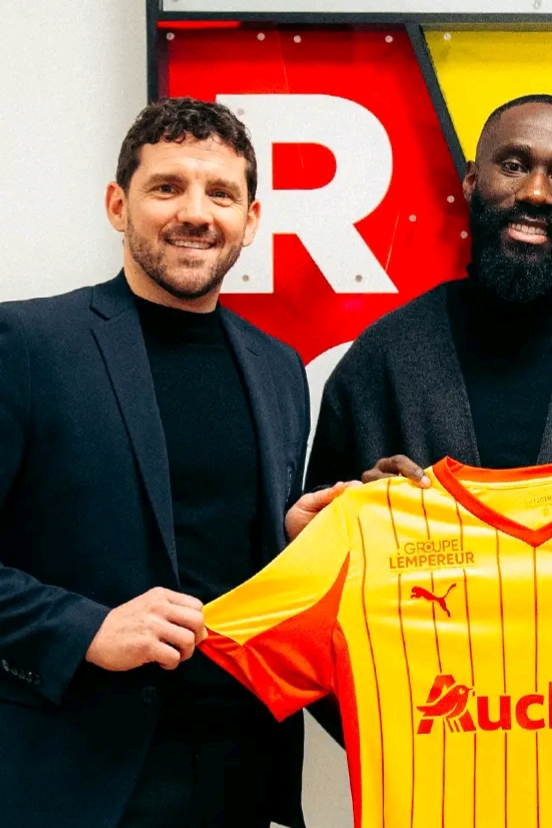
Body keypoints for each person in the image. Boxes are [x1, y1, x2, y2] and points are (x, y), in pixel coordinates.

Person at [0, 97, 345, 828]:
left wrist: (291, 541)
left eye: (221, 193)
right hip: (81, 781)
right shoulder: (27, 345)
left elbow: (224, 549)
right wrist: (85, 630)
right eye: (167, 187)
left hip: (240, 773)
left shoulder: (279, 369)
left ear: (250, 220)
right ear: (117, 204)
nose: (195, 213)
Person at [306, 93, 552, 490]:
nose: (536, 192)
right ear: (471, 180)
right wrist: (357, 504)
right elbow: (314, 526)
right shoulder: (381, 359)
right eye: (514, 166)